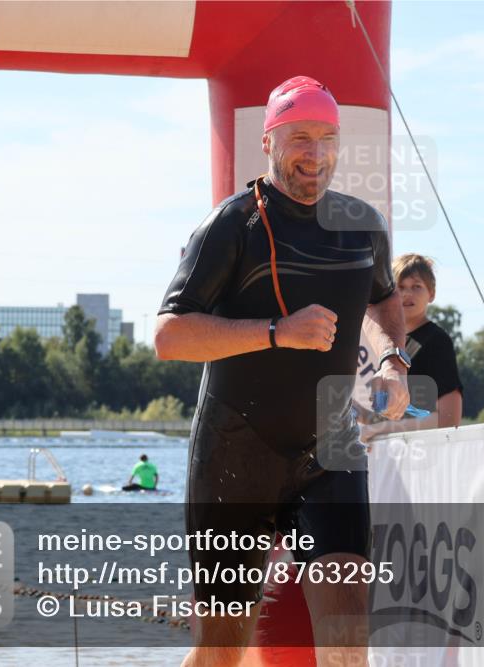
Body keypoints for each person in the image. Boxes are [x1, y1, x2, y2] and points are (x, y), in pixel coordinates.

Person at [155, 75, 409, 667]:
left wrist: (393, 359)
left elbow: (381, 300)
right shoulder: (231, 225)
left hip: (329, 444)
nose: (314, 154)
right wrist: (276, 331)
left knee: (349, 639)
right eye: (299, 138)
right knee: (222, 652)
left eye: (327, 139)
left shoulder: (361, 224)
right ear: (268, 142)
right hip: (234, 453)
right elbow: (170, 337)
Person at [360, 254, 462, 439]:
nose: (407, 293)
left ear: (431, 294)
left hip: (423, 457)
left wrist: (379, 429)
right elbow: (386, 415)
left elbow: (449, 419)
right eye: (400, 287)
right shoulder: (379, 343)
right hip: (385, 459)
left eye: (417, 286)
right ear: (388, 296)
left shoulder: (437, 341)